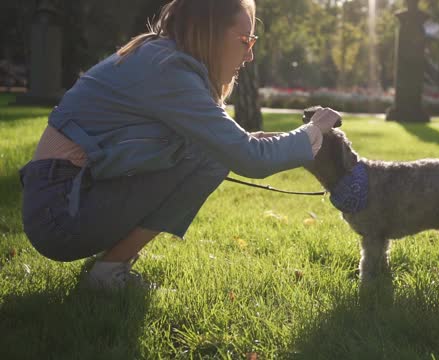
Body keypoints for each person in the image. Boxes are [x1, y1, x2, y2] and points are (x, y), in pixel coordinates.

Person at [18, 0, 341, 290]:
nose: (250, 53)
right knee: (211, 156)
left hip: (63, 198)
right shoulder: (166, 69)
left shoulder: (160, 57)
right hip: (61, 215)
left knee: (211, 151)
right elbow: (249, 159)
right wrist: (315, 129)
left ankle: (109, 266)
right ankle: (108, 273)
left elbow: (234, 145)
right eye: (245, 39)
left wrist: (272, 140)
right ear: (209, 32)